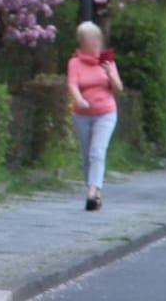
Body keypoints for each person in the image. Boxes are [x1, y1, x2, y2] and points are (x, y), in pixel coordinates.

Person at [67, 21, 123, 211]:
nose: (92, 43)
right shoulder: (75, 62)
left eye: (94, 39)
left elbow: (118, 89)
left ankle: (92, 191)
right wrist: (79, 99)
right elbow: (72, 85)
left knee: (97, 151)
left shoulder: (107, 60)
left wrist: (109, 73)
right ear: (82, 42)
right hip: (81, 114)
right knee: (86, 155)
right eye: (87, 39)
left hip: (105, 113)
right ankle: (95, 193)